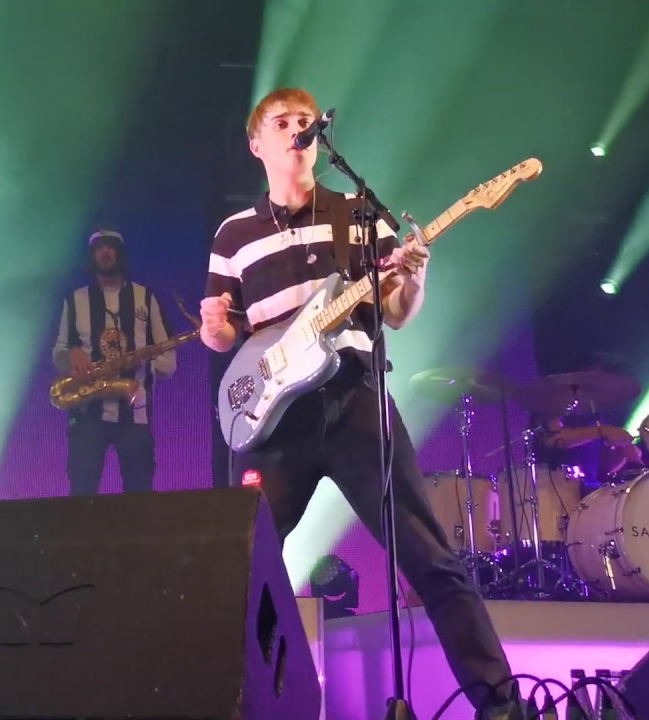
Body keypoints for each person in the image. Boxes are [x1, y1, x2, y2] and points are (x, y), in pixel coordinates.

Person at [200, 88, 522, 718]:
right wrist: (214, 322)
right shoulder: (233, 235)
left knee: (431, 559)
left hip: (353, 403)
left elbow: (395, 315)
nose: (298, 130)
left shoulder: (358, 215)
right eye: (281, 123)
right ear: (256, 143)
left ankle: (503, 706)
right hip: (275, 427)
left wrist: (415, 277)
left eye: (305, 122)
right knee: (235, 569)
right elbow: (223, 337)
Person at [53, 229, 176, 496]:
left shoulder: (146, 298)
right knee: (82, 496)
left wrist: (142, 362)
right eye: (99, 248)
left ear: (121, 254)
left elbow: (169, 360)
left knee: (139, 496)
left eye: (111, 247)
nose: (105, 253)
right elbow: (59, 353)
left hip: (135, 413)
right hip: (87, 413)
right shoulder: (74, 301)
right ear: (91, 255)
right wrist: (70, 355)